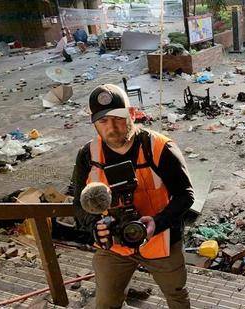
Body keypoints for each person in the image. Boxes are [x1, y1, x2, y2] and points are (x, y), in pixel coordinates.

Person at [72, 84, 194, 308]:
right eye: (103, 121)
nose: (112, 127)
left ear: (132, 113)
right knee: (106, 302)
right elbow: (79, 205)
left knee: (176, 296)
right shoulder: (87, 156)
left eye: (118, 118)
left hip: (161, 242)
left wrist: (156, 223)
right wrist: (95, 227)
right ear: (95, 123)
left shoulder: (159, 148)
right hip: (114, 247)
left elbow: (185, 195)